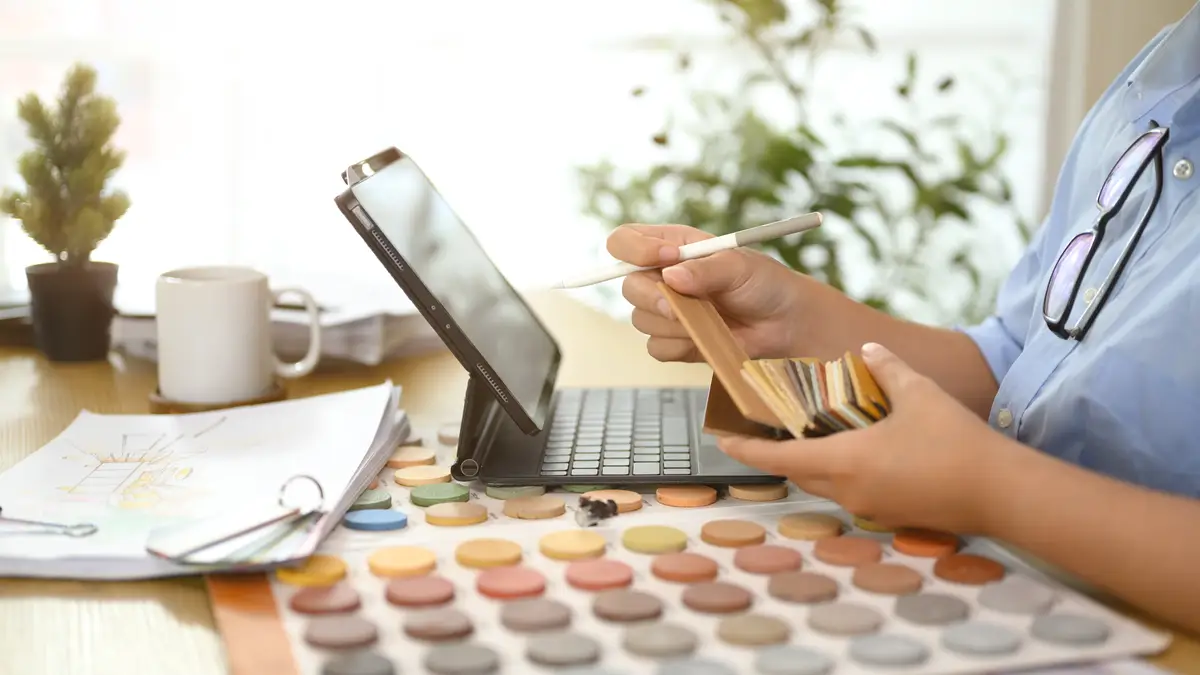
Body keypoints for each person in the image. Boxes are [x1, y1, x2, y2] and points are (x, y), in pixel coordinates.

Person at [606, 4, 1200, 635]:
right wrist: (792, 317)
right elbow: (1020, 368)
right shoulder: (1163, 77)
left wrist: (992, 490)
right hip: (1026, 597)